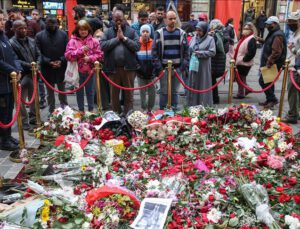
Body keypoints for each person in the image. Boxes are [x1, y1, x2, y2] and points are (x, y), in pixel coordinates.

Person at [101, 10, 140, 115]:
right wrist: (117, 39)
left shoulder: (131, 31)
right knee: (114, 96)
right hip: (113, 69)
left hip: (129, 69)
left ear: (124, 19)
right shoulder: (108, 32)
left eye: (120, 20)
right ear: (112, 20)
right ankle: (116, 116)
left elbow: (137, 46)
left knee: (129, 95)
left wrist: (124, 38)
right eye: (116, 20)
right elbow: (102, 46)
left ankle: (128, 116)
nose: (118, 22)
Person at [152, 10, 189, 110]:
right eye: (170, 19)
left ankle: (175, 112)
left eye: (174, 18)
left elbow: (187, 53)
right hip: (164, 69)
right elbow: (154, 52)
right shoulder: (159, 33)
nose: (173, 20)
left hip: (177, 69)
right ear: (165, 20)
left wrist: (181, 68)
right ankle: (163, 112)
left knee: (175, 92)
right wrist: (160, 69)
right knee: (164, 91)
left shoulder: (182, 33)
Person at [65, 20, 103, 112]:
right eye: (81, 29)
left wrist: (90, 58)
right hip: (78, 71)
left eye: (85, 29)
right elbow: (68, 55)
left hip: (91, 71)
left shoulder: (94, 41)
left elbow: (100, 55)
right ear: (77, 30)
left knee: (91, 92)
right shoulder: (72, 41)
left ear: (88, 30)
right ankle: (81, 111)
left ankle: (91, 111)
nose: (83, 31)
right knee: (79, 93)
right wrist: (80, 51)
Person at [10, 20, 40, 130]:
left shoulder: (31, 41)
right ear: (14, 30)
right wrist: (30, 65)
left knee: (34, 98)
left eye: (24, 28)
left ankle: (34, 117)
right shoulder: (11, 43)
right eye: (20, 28)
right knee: (20, 101)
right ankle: (23, 121)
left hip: (33, 74)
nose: (23, 30)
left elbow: (39, 54)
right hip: (21, 75)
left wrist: (37, 64)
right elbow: (15, 60)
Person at [35, 16, 68, 116]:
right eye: (49, 24)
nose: (52, 26)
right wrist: (48, 61)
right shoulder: (39, 35)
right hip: (47, 68)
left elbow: (68, 50)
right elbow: (38, 53)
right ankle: (51, 111)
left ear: (57, 24)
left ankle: (65, 110)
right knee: (50, 93)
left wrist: (61, 60)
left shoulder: (63, 34)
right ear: (45, 24)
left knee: (62, 90)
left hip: (61, 67)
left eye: (54, 24)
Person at [0, 9, 22, 151]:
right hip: (2, 83)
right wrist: (11, 70)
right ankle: (4, 140)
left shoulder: (3, 36)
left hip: (10, 81)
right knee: (3, 112)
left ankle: (7, 136)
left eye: (3, 19)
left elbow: (13, 55)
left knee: (9, 110)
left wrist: (18, 69)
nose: (3, 22)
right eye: (0, 20)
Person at [257, 16, 287, 109]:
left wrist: (269, 62)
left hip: (272, 63)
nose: (267, 26)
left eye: (268, 24)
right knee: (269, 82)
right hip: (270, 62)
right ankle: (269, 99)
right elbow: (269, 43)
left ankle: (273, 99)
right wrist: (260, 39)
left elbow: (276, 52)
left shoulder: (277, 35)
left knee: (263, 81)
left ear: (274, 24)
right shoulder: (273, 33)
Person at [187, 21, 216, 106]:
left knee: (203, 84)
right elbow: (189, 48)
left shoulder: (210, 39)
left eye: (200, 30)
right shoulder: (194, 38)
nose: (198, 32)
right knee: (193, 84)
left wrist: (200, 53)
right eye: (197, 30)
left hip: (203, 67)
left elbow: (212, 52)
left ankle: (203, 105)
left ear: (205, 30)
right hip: (193, 65)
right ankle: (192, 104)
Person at [282, 12, 300, 124]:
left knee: (292, 92)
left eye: (292, 21)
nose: (290, 24)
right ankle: (296, 113)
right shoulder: (295, 33)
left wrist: (292, 49)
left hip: (295, 67)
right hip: (292, 66)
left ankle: (293, 114)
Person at [233, 22, 257, 99]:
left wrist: (244, 59)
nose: (244, 30)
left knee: (240, 78)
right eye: (244, 28)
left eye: (246, 29)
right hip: (240, 61)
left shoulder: (251, 39)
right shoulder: (244, 38)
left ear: (251, 30)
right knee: (240, 78)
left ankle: (241, 93)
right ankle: (246, 89)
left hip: (244, 63)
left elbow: (252, 52)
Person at [136, 24, 155, 112]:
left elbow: (156, 56)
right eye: (143, 31)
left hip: (151, 73)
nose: (145, 33)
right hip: (140, 73)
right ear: (141, 33)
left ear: (150, 33)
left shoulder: (153, 43)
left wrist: (155, 70)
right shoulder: (137, 43)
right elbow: (135, 58)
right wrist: (138, 68)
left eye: (147, 32)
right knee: (142, 92)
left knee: (152, 92)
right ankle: (143, 108)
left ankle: (150, 108)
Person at [209, 19, 227, 104]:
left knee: (212, 81)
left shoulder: (216, 35)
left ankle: (215, 99)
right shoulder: (224, 33)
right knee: (213, 81)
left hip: (215, 62)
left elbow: (213, 49)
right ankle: (214, 98)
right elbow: (226, 49)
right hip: (219, 62)